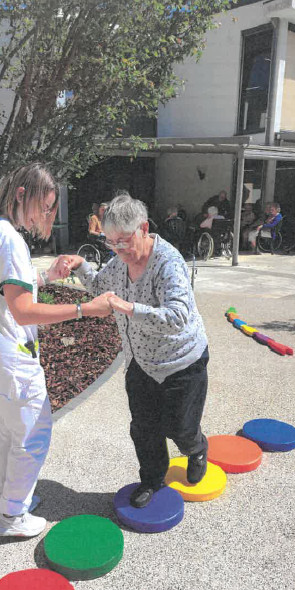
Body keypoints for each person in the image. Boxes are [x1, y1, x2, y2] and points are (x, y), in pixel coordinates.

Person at [0, 163, 112, 538]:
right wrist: (84, 309)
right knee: (33, 435)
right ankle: (9, 515)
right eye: (44, 206)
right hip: (12, 356)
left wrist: (47, 277)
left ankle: (5, 501)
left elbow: (7, 289)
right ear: (22, 194)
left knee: (2, 435)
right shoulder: (9, 239)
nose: (45, 216)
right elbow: (22, 309)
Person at [58, 193, 209, 509]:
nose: (117, 249)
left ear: (143, 227)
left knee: (180, 427)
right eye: (110, 243)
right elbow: (101, 288)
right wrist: (81, 265)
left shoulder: (167, 262)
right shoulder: (118, 261)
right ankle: (153, 479)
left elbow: (178, 316)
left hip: (181, 362)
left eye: (123, 241)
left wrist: (127, 307)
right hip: (139, 362)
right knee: (143, 428)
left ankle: (196, 448)